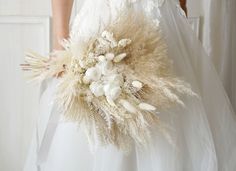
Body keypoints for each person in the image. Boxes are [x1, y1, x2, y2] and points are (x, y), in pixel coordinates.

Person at [24, 0, 236, 171]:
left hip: (162, 25)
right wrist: (61, 42)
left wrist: (181, 8)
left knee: (166, 132)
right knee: (98, 132)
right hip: (101, 24)